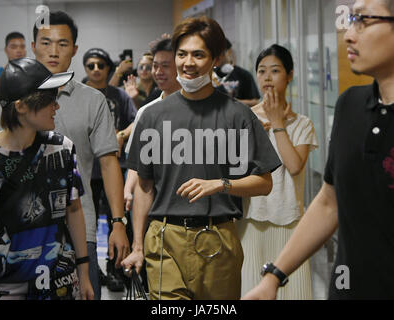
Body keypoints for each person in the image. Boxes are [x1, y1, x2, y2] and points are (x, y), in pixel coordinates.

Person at [242, 0, 394, 300]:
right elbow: (328, 202)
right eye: (350, 19)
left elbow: (295, 166)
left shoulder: (302, 124)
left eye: (363, 20)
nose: (349, 34)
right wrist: (273, 277)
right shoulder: (350, 105)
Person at [121, 16, 281, 300]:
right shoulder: (153, 116)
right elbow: (144, 186)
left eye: (198, 54)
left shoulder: (238, 115)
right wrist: (137, 246)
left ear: (216, 58)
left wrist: (221, 184)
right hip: (163, 239)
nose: (188, 63)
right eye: (182, 54)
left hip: (218, 239)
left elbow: (264, 182)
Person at [0, 11, 130, 300]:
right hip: (17, 238)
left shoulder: (92, 103)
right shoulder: (9, 96)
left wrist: (118, 223)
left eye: (62, 44)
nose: (53, 51)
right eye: (46, 43)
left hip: (78, 226)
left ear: (74, 49)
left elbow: (108, 164)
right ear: (33, 46)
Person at [0, 57, 93, 300]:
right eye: (48, 99)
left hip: (59, 282)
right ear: (21, 106)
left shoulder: (61, 147)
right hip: (6, 287)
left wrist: (83, 271)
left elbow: (73, 209)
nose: (55, 107)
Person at [236, 44, 318, 300]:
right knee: (250, 290)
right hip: (251, 221)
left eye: (275, 70)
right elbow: (236, 170)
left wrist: (279, 124)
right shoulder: (244, 118)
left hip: (291, 224)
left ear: (290, 75)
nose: (267, 77)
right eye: (261, 71)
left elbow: (294, 166)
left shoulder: (303, 123)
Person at [83, 47, 136, 292]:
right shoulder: (77, 94)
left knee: (116, 221)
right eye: (90, 65)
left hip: (115, 166)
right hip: (85, 170)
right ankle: (93, 270)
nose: (95, 70)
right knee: (87, 224)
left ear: (108, 68)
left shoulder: (118, 96)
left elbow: (136, 119)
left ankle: (115, 270)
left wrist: (122, 134)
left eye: (100, 65)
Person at [124, 37, 181, 212]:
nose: (158, 71)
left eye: (165, 66)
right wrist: (128, 189)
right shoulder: (147, 112)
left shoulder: (199, 109)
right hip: (154, 201)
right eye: (155, 66)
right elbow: (137, 162)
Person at [213, 38, 260, 107]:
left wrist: (234, 102)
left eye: (220, 53)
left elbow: (255, 102)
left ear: (228, 52)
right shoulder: (207, 75)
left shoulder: (244, 75)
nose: (217, 57)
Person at [0, 32, 26, 103]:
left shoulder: (32, 74)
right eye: (14, 47)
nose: (19, 50)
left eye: (22, 47)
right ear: (6, 50)